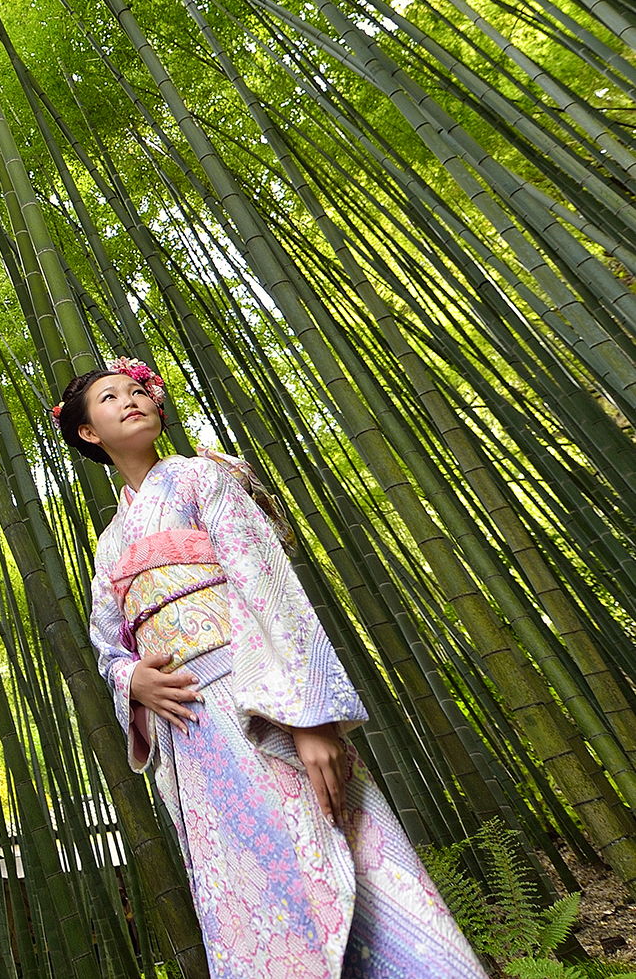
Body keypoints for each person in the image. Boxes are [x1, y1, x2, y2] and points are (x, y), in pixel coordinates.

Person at [60, 359, 487, 979]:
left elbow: (267, 585)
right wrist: (133, 681)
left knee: (342, 852)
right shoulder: (108, 543)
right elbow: (108, 645)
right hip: (191, 732)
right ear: (89, 434)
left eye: (137, 390)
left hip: (260, 701)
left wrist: (311, 718)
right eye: (110, 397)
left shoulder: (203, 478)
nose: (131, 399)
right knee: (253, 888)